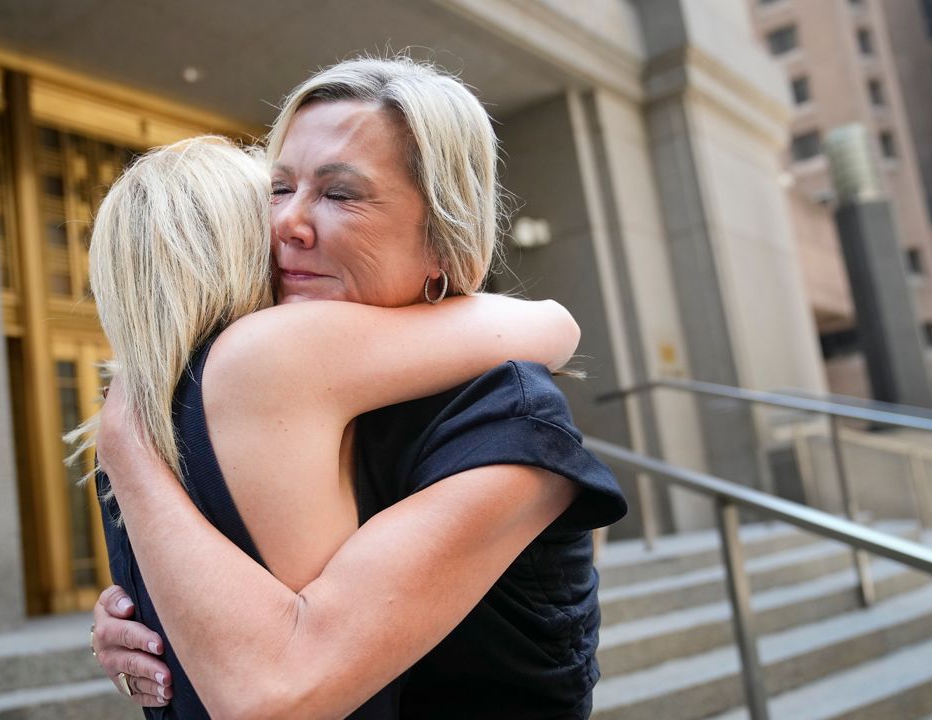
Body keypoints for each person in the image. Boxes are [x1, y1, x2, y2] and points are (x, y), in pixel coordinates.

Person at [86, 57, 626, 719]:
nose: (288, 223)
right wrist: (155, 613)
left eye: (341, 194)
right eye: (279, 188)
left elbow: (278, 692)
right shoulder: (246, 398)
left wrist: (127, 447)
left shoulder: (506, 417)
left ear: (441, 241)